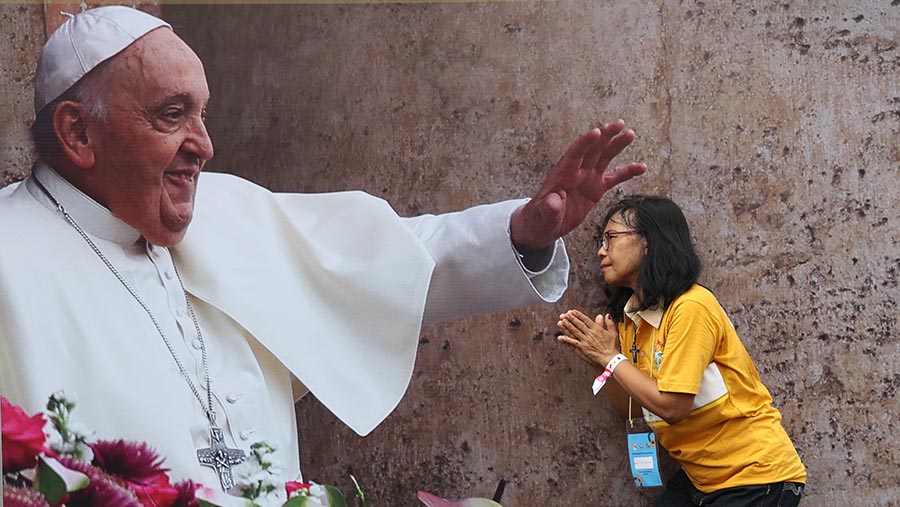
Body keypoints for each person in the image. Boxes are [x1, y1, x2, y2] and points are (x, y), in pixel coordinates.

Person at [0, 5, 646, 494]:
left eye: (203, 113)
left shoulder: (228, 208)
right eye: (172, 115)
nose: (205, 144)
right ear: (79, 132)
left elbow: (394, 259)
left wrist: (525, 231)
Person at [556, 195, 806, 506]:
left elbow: (673, 408)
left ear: (648, 242)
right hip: (701, 478)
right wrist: (602, 362)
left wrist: (612, 358)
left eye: (610, 237)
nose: (601, 250)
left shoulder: (691, 307)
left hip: (755, 478)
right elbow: (631, 409)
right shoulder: (632, 317)